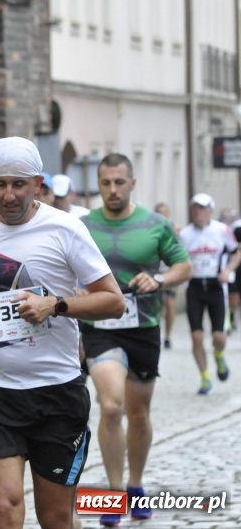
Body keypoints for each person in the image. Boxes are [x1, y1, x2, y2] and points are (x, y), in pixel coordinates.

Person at [0, 137, 125, 529]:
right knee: (5, 507)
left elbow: (113, 300)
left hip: (56, 391)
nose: (9, 195)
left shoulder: (65, 229)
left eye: (19, 185)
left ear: (37, 183)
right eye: (0, 184)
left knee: (56, 518)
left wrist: (55, 304)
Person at [79, 154, 192, 527]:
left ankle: (135, 485)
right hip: (99, 329)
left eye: (119, 182)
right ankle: (111, 496)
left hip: (142, 327)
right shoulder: (82, 226)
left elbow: (183, 266)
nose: (112, 189)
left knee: (139, 414)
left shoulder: (155, 225)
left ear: (132, 183)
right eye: (106, 183)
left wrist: (159, 280)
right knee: (111, 407)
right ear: (99, 184)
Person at [178, 193, 241, 394]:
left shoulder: (222, 230)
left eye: (202, 208)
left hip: (216, 286)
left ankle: (219, 356)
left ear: (210, 210)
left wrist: (228, 271)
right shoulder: (185, 234)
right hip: (194, 287)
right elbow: (178, 258)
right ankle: (205, 378)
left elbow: (237, 253)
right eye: (195, 208)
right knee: (196, 337)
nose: (198, 212)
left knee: (219, 337)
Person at [154, 202, 180, 348]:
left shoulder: (175, 228)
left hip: (170, 272)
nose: (162, 215)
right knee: (157, 306)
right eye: (159, 212)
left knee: (170, 304)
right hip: (155, 272)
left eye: (164, 212)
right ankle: (156, 332)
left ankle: (168, 336)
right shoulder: (150, 227)